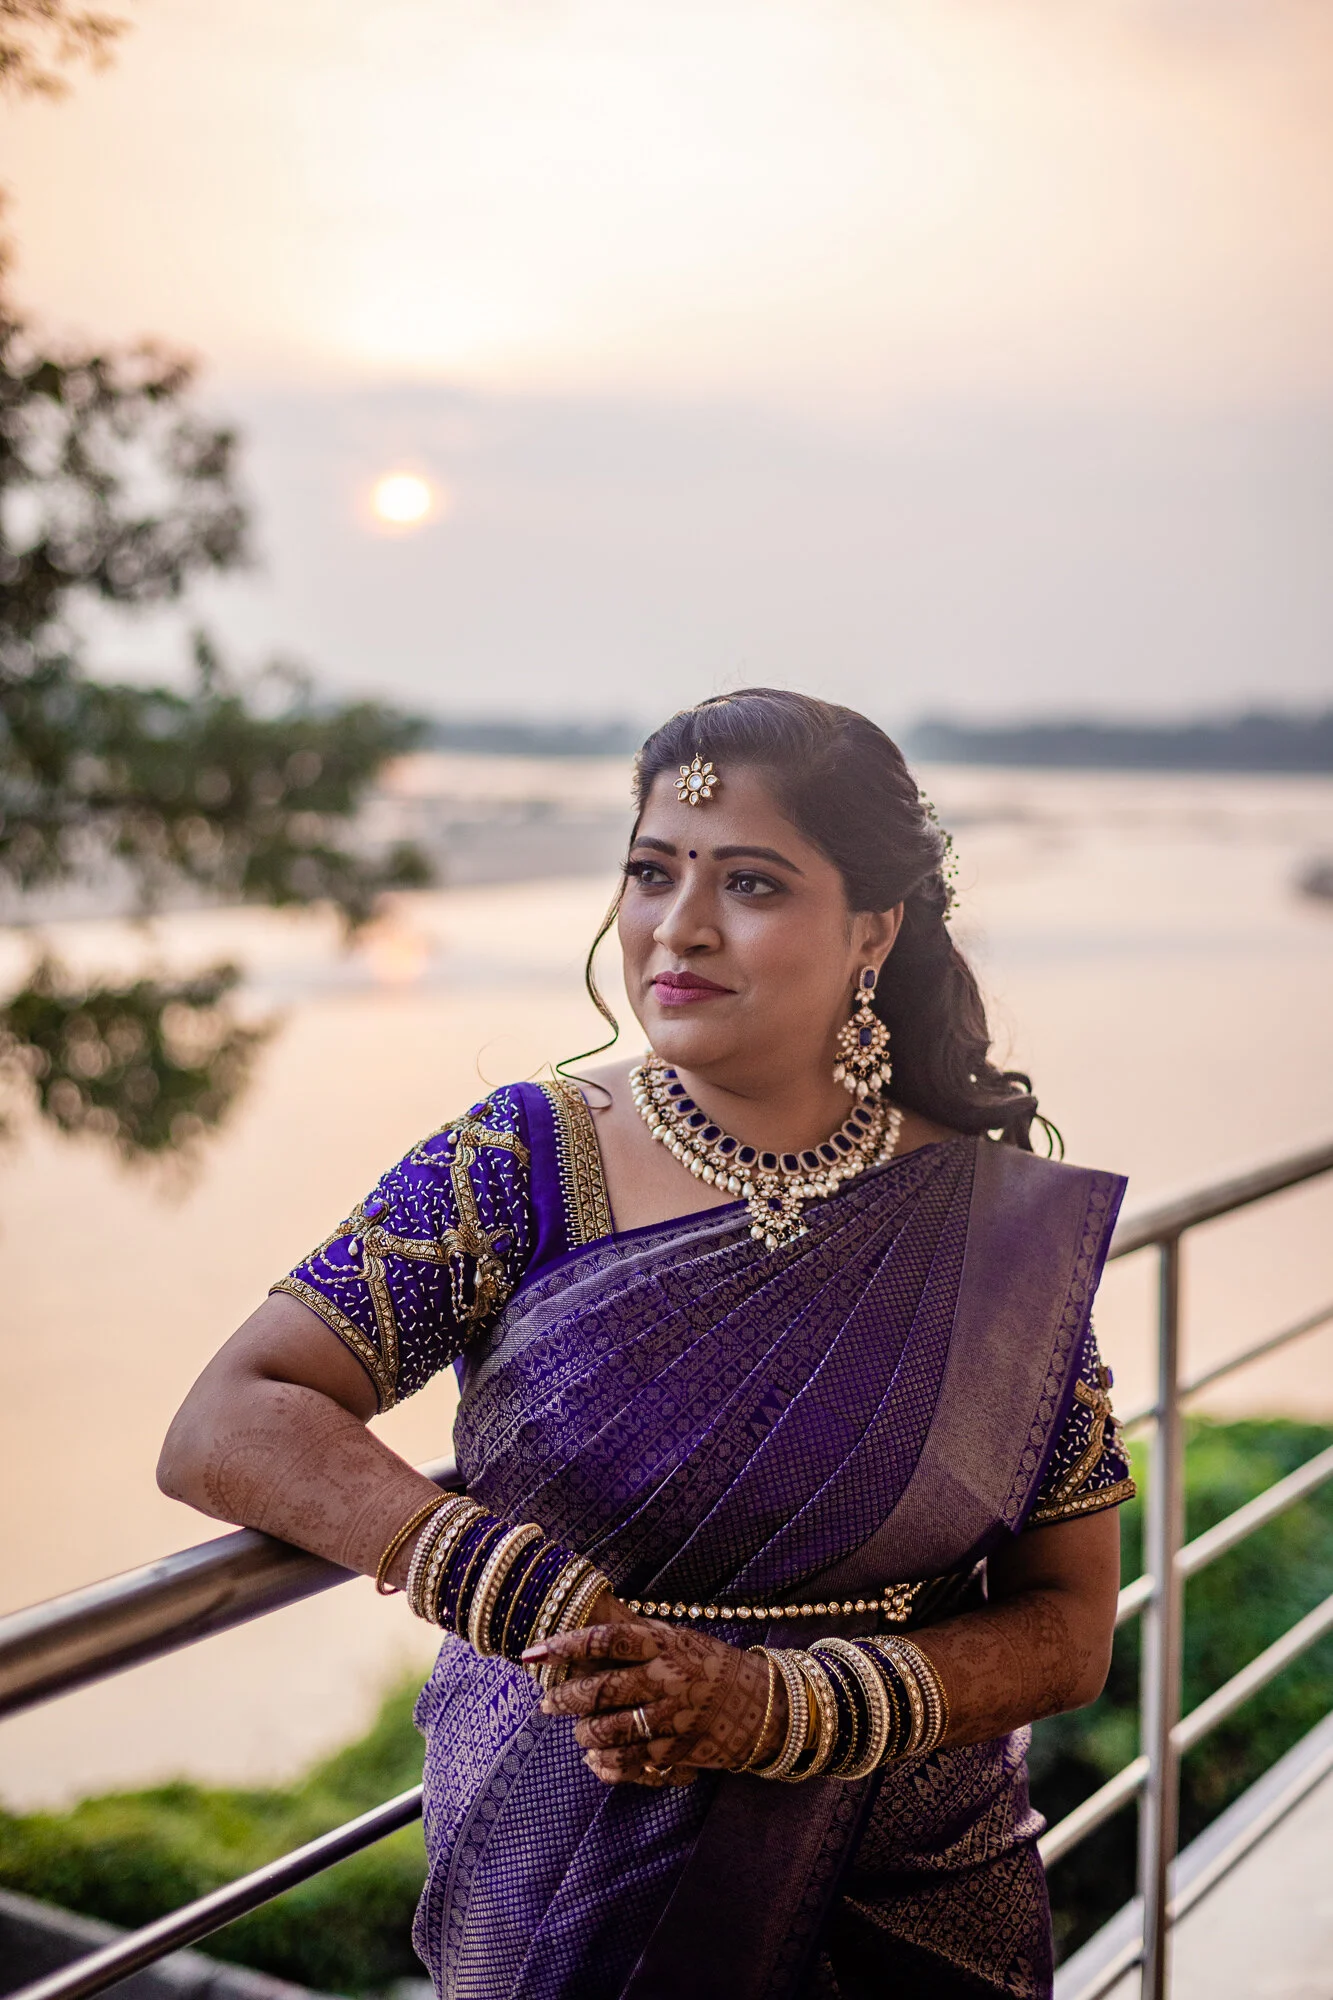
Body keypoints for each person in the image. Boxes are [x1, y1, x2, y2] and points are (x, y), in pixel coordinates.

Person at [159, 690, 1134, 2000]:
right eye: (650, 871)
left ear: (872, 929)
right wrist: (532, 1597)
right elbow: (228, 1420)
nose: (679, 926)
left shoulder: (989, 1232)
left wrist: (778, 1712)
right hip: (564, 1876)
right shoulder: (522, 1164)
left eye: (750, 882)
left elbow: (1069, 1628)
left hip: (909, 1909)